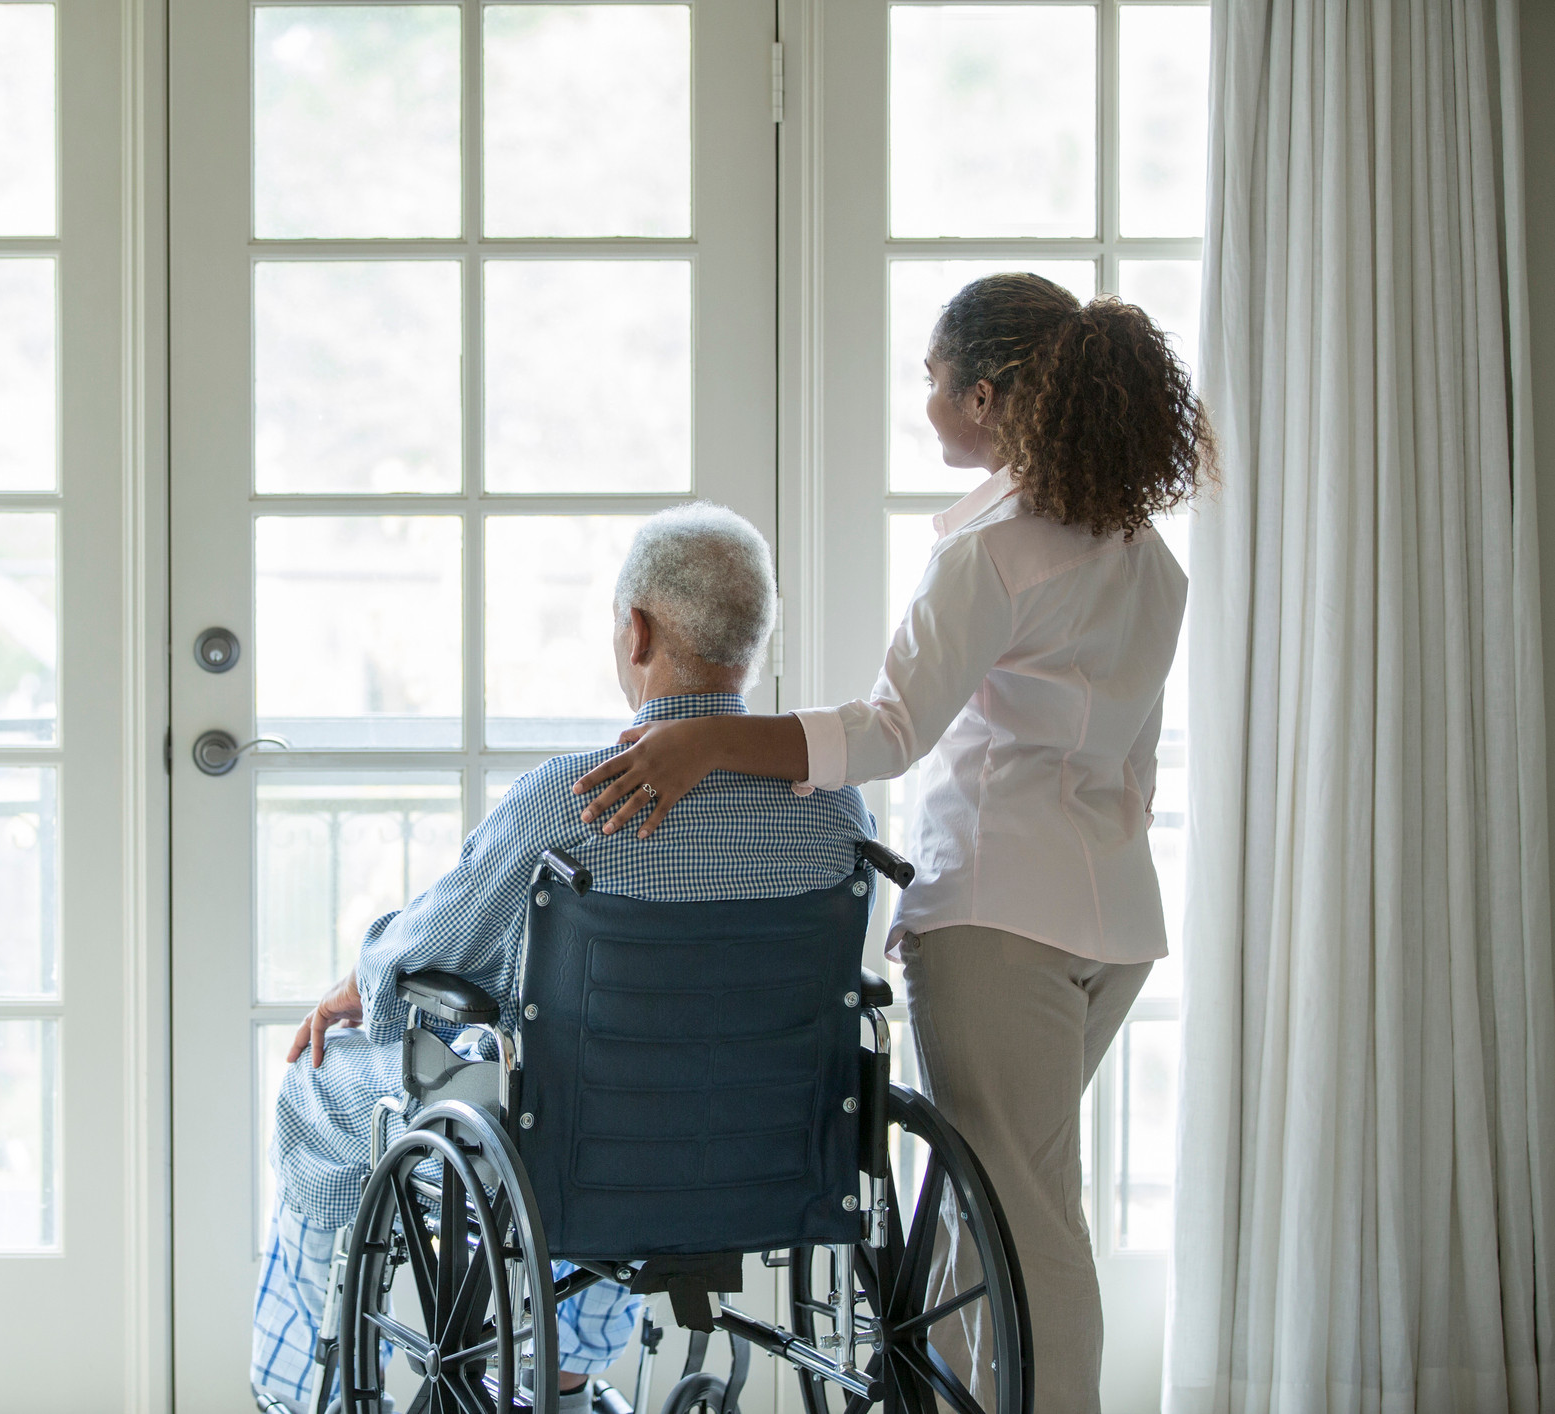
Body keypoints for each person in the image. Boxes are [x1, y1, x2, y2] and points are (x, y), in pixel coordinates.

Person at [571, 274, 1214, 1414]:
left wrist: (708, 740)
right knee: (1016, 1203)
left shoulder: (995, 556)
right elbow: (1135, 760)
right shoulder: (1145, 559)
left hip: (1001, 919)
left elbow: (889, 732)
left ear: (987, 392)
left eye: (931, 378)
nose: (924, 401)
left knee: (1023, 1219)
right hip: (1112, 917)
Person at [253, 503, 875, 1413]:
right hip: (762, 1150)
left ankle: (291, 1387)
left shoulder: (572, 797)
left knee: (316, 1086)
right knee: (607, 1086)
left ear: (637, 631)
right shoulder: (833, 809)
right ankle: (570, 1372)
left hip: (578, 1151)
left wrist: (365, 980)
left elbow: (437, 949)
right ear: (750, 642)